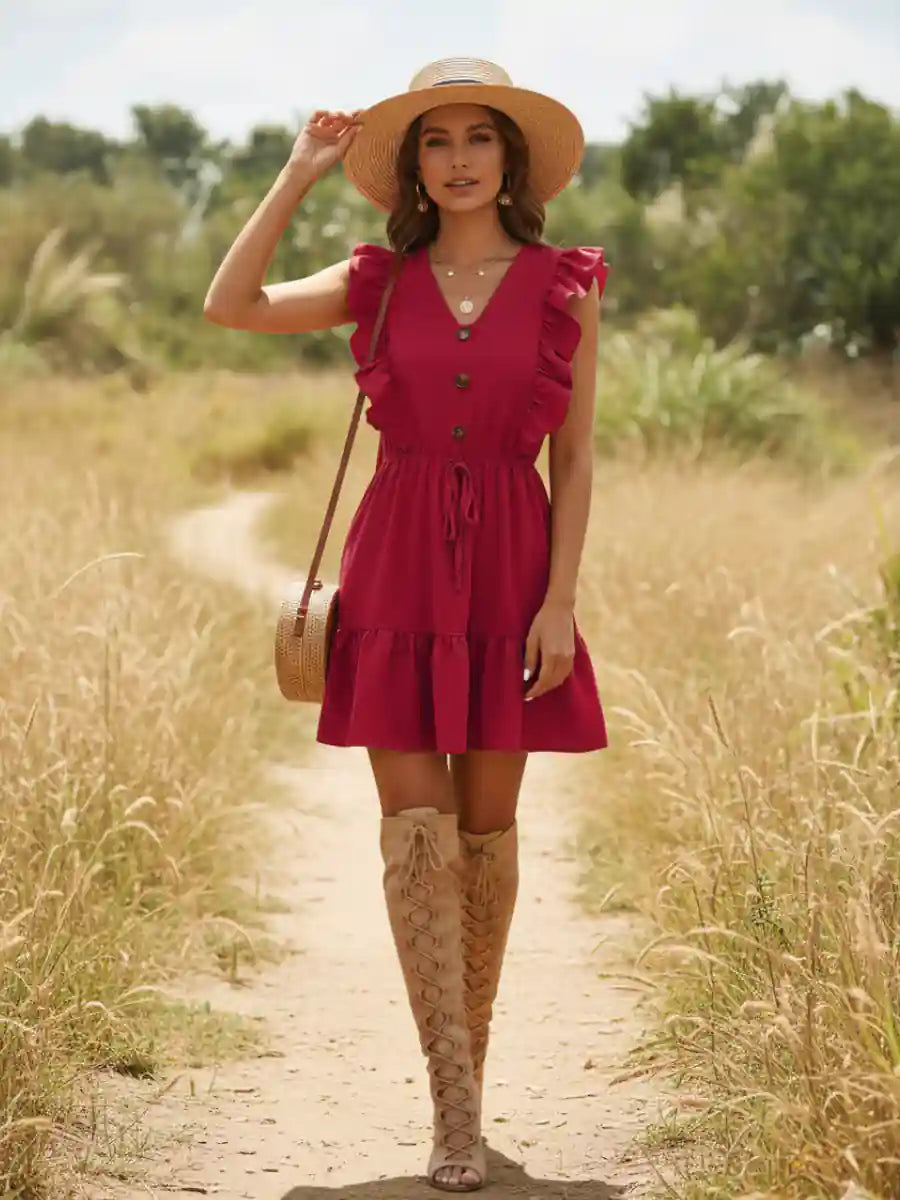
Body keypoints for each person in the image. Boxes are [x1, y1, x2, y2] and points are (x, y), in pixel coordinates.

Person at [203, 56, 609, 1194]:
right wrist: (297, 172)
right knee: (416, 838)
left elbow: (576, 457)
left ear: (511, 161)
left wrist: (560, 602)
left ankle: (469, 1073)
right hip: (395, 571)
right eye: (438, 140)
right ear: (414, 167)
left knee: (486, 839)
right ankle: (453, 1112)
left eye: (480, 138)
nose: (460, 158)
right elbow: (231, 306)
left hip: (513, 576)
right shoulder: (378, 278)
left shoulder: (567, 283)